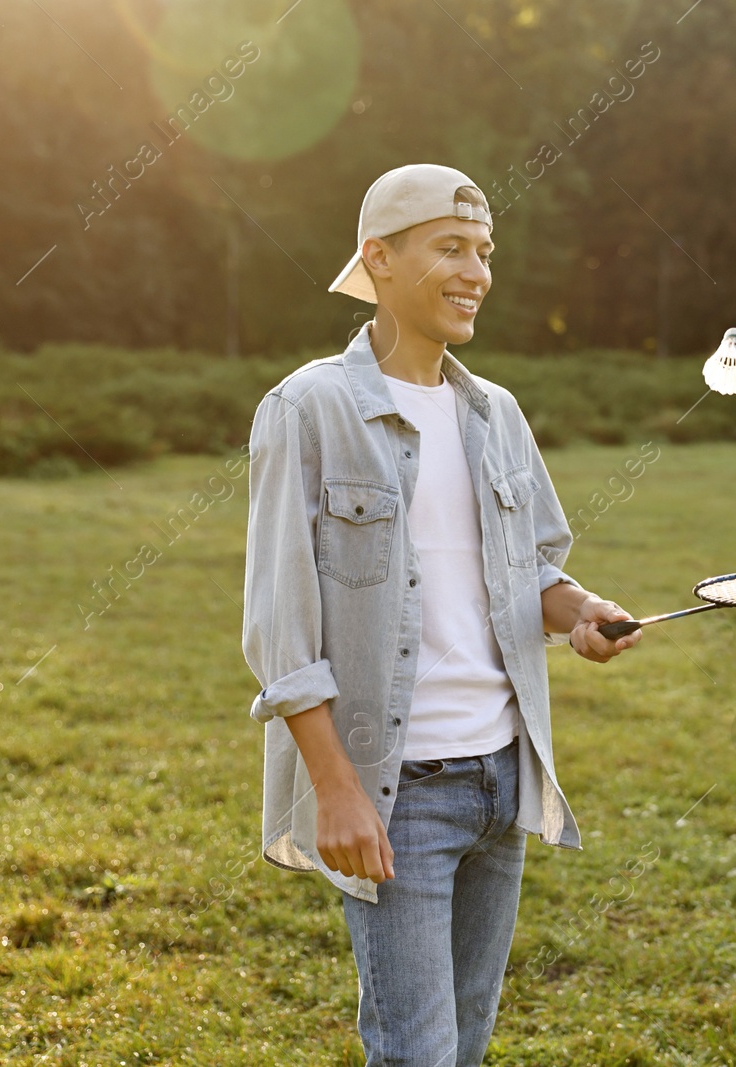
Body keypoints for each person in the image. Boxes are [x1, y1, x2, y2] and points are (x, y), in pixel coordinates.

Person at [241, 163, 643, 1065]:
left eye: (485, 252)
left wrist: (580, 610)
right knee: (416, 1050)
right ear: (378, 260)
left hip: (503, 780)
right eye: (450, 248)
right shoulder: (309, 408)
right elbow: (278, 625)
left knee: (463, 1044)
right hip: (398, 796)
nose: (476, 273)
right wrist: (336, 787)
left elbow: (529, 571)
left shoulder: (496, 413)